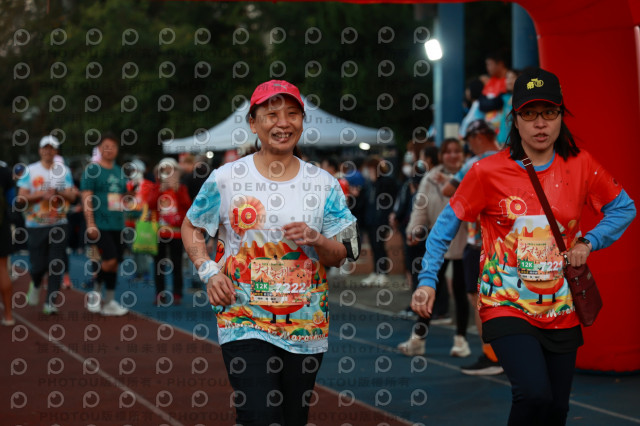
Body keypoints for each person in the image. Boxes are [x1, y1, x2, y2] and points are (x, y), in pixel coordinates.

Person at [411, 67, 636, 425]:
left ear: (561, 116)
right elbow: (443, 229)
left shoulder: (581, 165)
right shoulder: (487, 171)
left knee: (556, 410)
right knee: (532, 394)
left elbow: (624, 208)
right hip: (505, 305)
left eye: (549, 112)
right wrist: (427, 281)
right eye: (529, 114)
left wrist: (590, 241)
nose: (540, 123)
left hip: (561, 307)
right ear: (515, 120)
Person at [181, 80, 359, 425]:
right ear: (253, 123)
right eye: (272, 115)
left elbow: (343, 253)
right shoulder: (226, 179)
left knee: (293, 417)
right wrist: (208, 271)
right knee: (259, 414)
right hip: (242, 317)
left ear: (302, 121)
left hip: (304, 324)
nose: (283, 123)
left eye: (292, 114)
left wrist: (317, 239)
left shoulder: (323, 184)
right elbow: (192, 227)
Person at [444, 119, 504, 375]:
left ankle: (492, 356)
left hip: (478, 240)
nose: (469, 146)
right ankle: (507, 354)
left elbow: (448, 190)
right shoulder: (510, 158)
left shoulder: (474, 164)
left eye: (469, 141)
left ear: (478, 137)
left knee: (479, 300)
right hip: (505, 242)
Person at [399, 138, 468, 356]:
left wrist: (450, 181)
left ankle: (461, 339)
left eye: (457, 151)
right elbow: (420, 207)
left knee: (461, 292)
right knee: (428, 288)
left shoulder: (471, 174)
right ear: (441, 156)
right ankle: (418, 338)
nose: (452, 155)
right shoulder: (430, 178)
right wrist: (413, 229)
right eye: (448, 151)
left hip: (466, 241)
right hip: (439, 243)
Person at [18, 136, 78, 314]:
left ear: (56, 151)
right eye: (45, 148)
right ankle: (36, 283)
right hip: (36, 224)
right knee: (38, 266)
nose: (48, 151)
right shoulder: (30, 170)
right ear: (40, 150)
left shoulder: (63, 171)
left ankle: (50, 302)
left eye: (52, 148)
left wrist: (58, 191)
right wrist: (40, 195)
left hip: (59, 223)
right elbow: (21, 198)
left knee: (55, 263)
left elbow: (72, 196)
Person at [80, 133, 130, 316]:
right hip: (100, 224)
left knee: (115, 264)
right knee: (110, 260)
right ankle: (94, 294)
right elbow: (86, 197)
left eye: (113, 146)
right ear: (100, 149)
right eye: (106, 146)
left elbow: (123, 197)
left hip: (118, 224)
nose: (109, 150)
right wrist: (90, 223)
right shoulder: (92, 170)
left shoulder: (119, 171)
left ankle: (109, 302)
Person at [145, 158, 191, 305]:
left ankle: (177, 293)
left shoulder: (182, 188)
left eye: (170, 170)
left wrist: (177, 191)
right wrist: (160, 190)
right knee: (159, 264)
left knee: (177, 263)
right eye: (164, 171)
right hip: (159, 232)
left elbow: (188, 206)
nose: (167, 174)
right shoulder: (156, 188)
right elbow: (150, 204)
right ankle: (160, 294)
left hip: (176, 233)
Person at [361, 156, 397, 287]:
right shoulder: (368, 184)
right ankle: (376, 272)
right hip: (370, 219)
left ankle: (383, 273)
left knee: (379, 245)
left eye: (370, 169)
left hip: (381, 219)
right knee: (373, 246)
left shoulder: (386, 181)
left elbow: (388, 198)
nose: (368, 172)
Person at [0, 164, 15, 325]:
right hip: (2, 226)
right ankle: (9, 316)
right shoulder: (4, 172)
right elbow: (12, 201)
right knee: (2, 269)